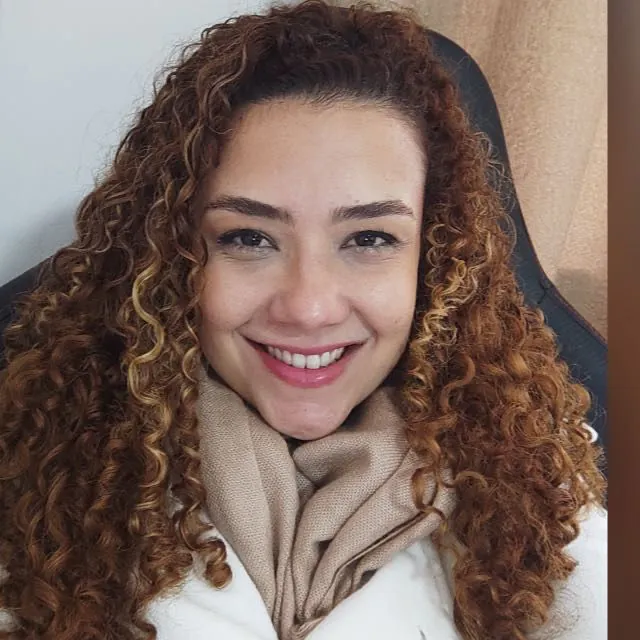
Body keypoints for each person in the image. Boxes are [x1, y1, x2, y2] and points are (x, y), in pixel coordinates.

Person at [0, 1, 606, 639]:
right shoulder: (42, 477)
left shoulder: (538, 498)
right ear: (170, 257)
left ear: (434, 260)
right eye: (249, 238)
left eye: (369, 238)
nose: (310, 307)